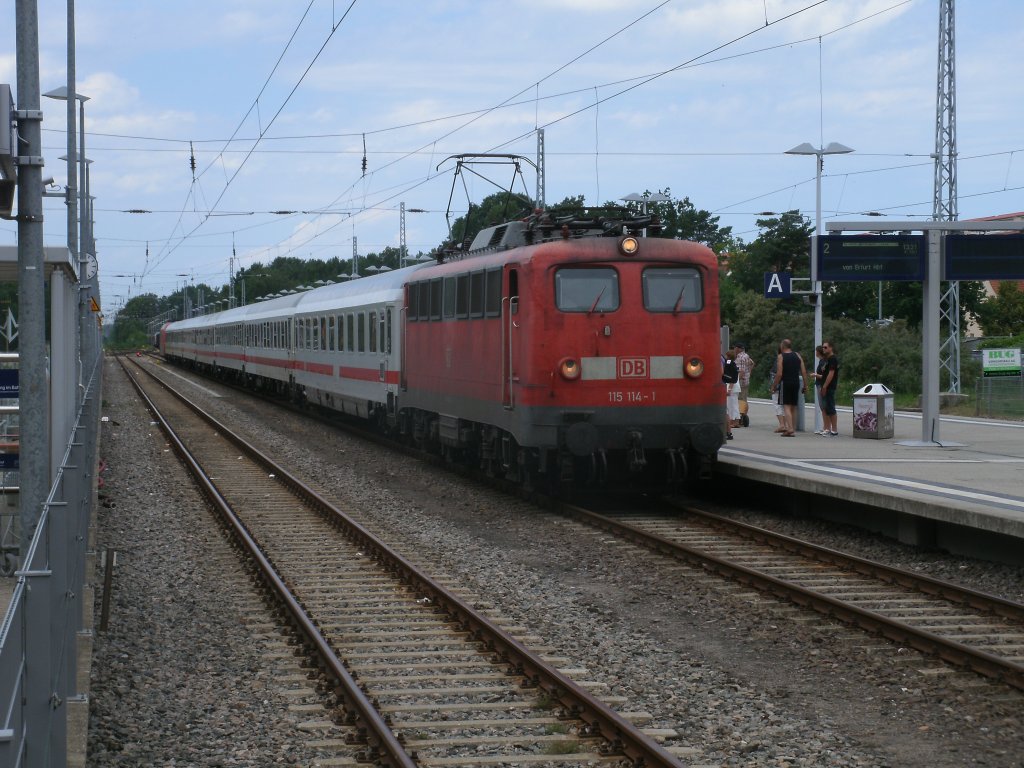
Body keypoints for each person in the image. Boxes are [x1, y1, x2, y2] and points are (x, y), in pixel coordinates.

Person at [771, 338, 807, 437]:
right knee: (793, 406)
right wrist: (805, 385)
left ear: (782, 346)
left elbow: (779, 374)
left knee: (786, 406)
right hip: (796, 383)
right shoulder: (798, 355)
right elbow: (803, 371)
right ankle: (793, 428)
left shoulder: (781, 356)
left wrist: (774, 386)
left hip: (785, 383)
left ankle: (790, 428)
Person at [820, 340, 840, 436]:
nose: (823, 349)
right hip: (826, 386)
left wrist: (824, 386)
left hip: (829, 386)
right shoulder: (827, 359)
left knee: (831, 407)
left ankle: (834, 429)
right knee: (827, 407)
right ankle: (829, 428)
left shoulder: (832, 359)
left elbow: (831, 374)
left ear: (831, 348)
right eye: (823, 347)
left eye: (825, 347)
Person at [768, 345, 787, 433]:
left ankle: (782, 424)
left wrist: (773, 386)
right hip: (788, 384)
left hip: (779, 385)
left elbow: (776, 374)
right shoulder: (791, 358)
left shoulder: (779, 359)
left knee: (777, 404)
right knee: (785, 405)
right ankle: (787, 425)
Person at [734, 343, 755, 426]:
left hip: (740, 382)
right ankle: (744, 415)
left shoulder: (740, 357)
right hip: (746, 381)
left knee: (740, 400)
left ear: (738, 348)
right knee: (744, 399)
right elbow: (752, 363)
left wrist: (736, 381)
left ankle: (740, 418)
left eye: (735, 348)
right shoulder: (746, 356)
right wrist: (749, 372)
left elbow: (741, 371)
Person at [722, 348, 739, 440]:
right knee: (729, 409)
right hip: (732, 386)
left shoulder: (728, 362)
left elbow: (729, 376)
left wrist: (729, 389)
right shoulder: (734, 364)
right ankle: (729, 431)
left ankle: (728, 430)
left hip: (727, 386)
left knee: (727, 410)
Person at [812, 345, 829, 435]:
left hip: (821, 385)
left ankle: (826, 427)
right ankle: (825, 427)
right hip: (819, 384)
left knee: (823, 406)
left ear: (818, 352)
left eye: (816, 351)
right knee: (822, 407)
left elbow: (824, 375)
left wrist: (815, 375)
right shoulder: (822, 361)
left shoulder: (823, 362)